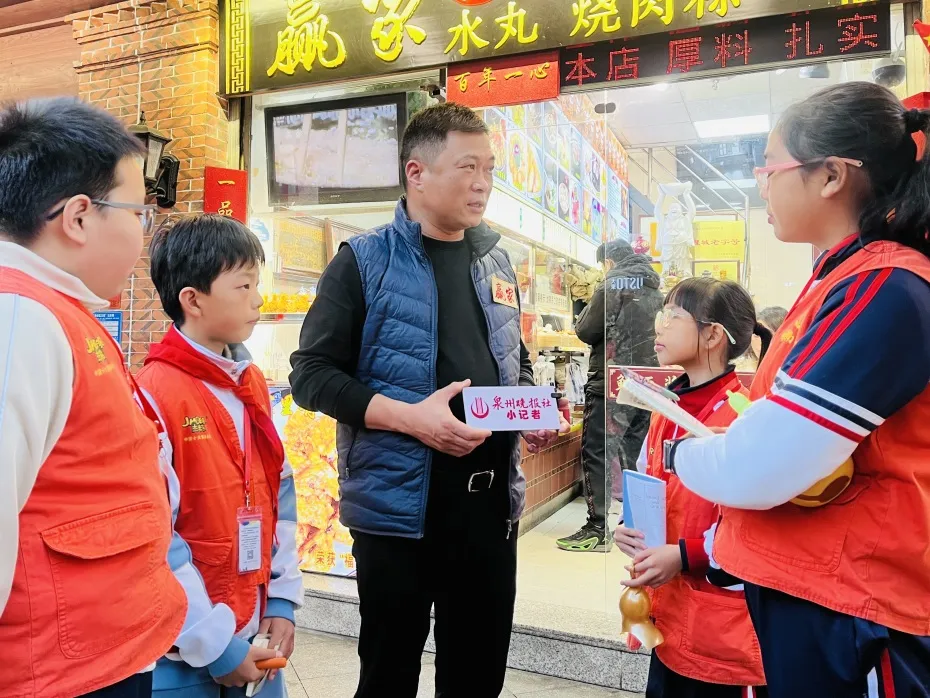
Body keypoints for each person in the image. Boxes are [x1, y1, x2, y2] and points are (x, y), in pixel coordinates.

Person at [662, 83, 930, 698]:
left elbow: (762, 464)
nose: (762, 185)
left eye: (770, 167)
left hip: (854, 606)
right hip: (822, 589)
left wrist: (685, 454)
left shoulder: (883, 286)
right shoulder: (845, 278)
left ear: (831, 175)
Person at [289, 102, 565, 698]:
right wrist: (411, 420)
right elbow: (310, 375)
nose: (483, 182)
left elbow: (510, 360)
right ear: (416, 173)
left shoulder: (495, 262)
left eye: (489, 168)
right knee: (388, 676)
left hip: (489, 512)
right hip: (399, 514)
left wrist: (528, 410)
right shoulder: (364, 261)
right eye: (468, 167)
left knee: (477, 677)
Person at [0, 98, 186, 696]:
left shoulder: (52, 310)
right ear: (79, 217)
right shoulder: (20, 318)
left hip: (94, 659)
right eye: (139, 212)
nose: (143, 233)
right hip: (57, 675)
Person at [137, 215, 303, 697]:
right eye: (244, 285)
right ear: (193, 300)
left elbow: (279, 492)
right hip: (184, 657)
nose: (258, 299)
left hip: (256, 636)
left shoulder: (248, 382)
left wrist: (282, 599)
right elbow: (154, 536)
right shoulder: (153, 394)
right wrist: (215, 646)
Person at [615, 277, 770, 698]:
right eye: (661, 314)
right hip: (665, 616)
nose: (658, 325)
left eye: (673, 315)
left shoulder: (743, 417)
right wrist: (629, 526)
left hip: (721, 632)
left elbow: (756, 528)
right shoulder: (665, 409)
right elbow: (650, 483)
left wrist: (685, 555)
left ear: (713, 335)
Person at [558, 240, 661, 552]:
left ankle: (597, 528)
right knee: (634, 455)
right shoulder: (654, 287)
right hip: (646, 384)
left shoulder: (612, 283)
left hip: (610, 382)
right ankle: (637, 526)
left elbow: (586, 330)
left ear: (608, 262)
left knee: (598, 451)